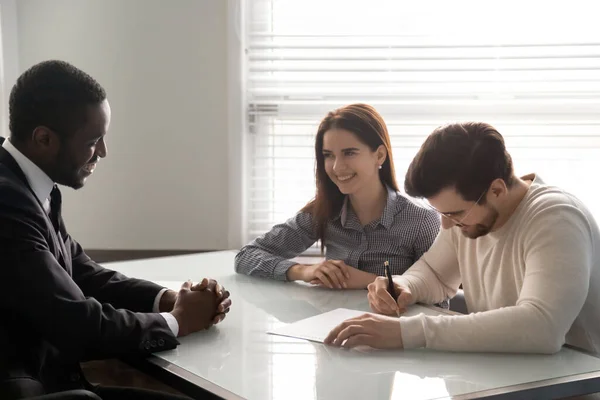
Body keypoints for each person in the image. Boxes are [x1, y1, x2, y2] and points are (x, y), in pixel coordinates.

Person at [0, 60, 231, 400]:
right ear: (44, 139)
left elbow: (83, 273)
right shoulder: (6, 202)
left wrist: (167, 299)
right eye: (94, 141)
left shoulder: (33, 186)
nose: (103, 153)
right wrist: (179, 320)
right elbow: (77, 325)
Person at [324, 121, 600, 355]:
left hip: (578, 384)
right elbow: (434, 273)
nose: (446, 224)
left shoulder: (557, 219)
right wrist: (400, 286)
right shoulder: (472, 217)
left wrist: (408, 332)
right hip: (510, 373)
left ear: (497, 190)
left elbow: (542, 327)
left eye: (455, 213)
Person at [235, 104, 440, 290]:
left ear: (379, 155)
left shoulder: (422, 220)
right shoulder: (322, 212)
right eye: (328, 155)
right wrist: (304, 271)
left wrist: (370, 280)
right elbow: (246, 257)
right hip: (330, 326)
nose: (336, 167)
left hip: (394, 328)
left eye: (349, 153)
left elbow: (437, 299)